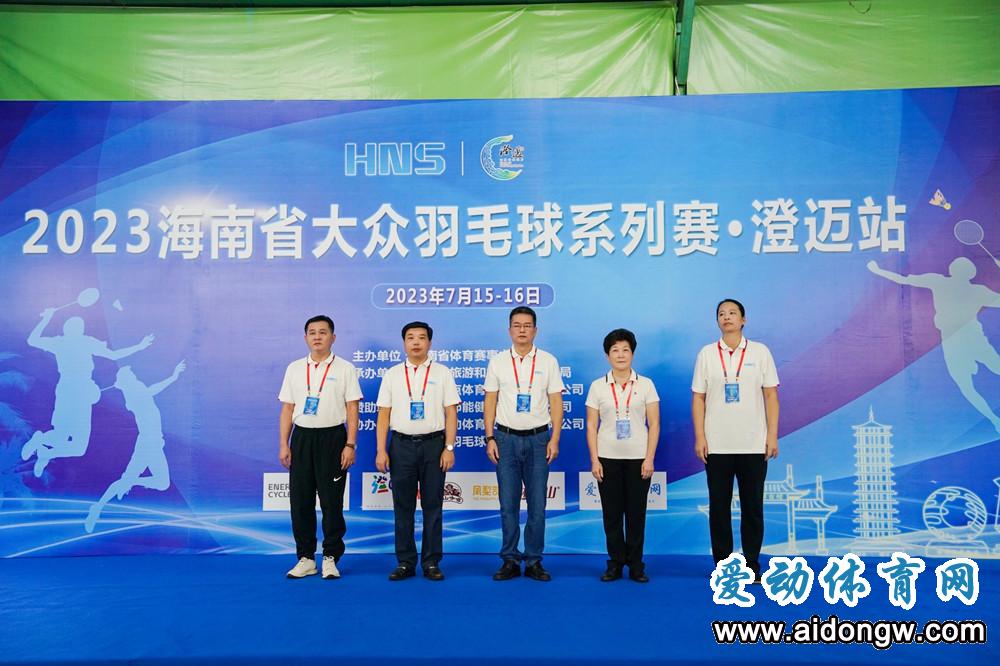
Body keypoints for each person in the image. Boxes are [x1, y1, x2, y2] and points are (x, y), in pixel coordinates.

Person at [692, 299, 779, 582]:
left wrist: (772, 435)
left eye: (732, 313)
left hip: (753, 443)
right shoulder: (707, 354)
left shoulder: (760, 352)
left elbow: (770, 395)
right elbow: (698, 398)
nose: (726, 317)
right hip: (717, 444)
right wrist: (700, 436)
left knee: (753, 507)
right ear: (717, 321)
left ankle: (752, 563)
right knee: (719, 508)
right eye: (721, 314)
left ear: (743, 320)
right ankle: (723, 565)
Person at [868, 258, 1000, 432]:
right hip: (957, 341)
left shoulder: (966, 288)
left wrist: (878, 270)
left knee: (967, 386)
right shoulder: (945, 283)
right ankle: (995, 421)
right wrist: (878, 271)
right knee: (967, 384)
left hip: (968, 339)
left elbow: (903, 279)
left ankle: (994, 420)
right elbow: (904, 280)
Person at [483, 306, 564, 581]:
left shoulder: (548, 361)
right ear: (509, 330)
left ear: (535, 330)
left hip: (539, 439)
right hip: (505, 439)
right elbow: (490, 401)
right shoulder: (498, 362)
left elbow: (556, 402)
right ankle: (509, 559)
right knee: (508, 504)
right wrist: (490, 437)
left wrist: (554, 438)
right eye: (517, 325)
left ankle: (533, 560)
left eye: (527, 325)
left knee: (537, 505)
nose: (522, 330)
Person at [278, 315, 362, 580]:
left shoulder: (345, 368)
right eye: (312, 332)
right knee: (300, 502)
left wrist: (350, 444)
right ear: (305, 338)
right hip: (302, 438)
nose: (317, 336)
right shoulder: (294, 368)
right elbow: (287, 409)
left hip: (333, 439)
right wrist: (284, 444)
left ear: (333, 337)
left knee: (331, 502)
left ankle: (330, 557)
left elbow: (352, 408)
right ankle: (305, 558)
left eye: (323, 332)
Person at [22, 309, 154, 477]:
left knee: (74, 446)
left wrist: (46, 319)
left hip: (76, 390)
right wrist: (139, 346)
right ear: (72, 330)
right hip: (73, 390)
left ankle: (44, 450)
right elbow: (114, 355)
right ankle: (41, 443)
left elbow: (32, 340)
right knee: (70, 442)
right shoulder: (79, 342)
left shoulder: (65, 342)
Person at [375, 321, 460, 581]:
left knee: (433, 505)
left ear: (429, 343)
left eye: (421, 337)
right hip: (401, 445)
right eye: (410, 337)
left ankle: (432, 562)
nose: (416, 342)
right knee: (403, 506)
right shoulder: (392, 374)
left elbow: (451, 413)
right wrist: (381, 450)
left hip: (434, 445)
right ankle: (405, 562)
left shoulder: (442, 373)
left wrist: (449, 447)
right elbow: (383, 415)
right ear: (404, 343)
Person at [585, 329, 660, 583]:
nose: (620, 355)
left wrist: (649, 458)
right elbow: (591, 426)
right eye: (615, 350)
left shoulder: (646, 384)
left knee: (637, 515)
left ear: (632, 354)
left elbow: (655, 424)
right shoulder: (598, 386)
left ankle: (636, 565)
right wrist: (595, 460)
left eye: (625, 350)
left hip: (639, 459)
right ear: (607, 356)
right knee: (612, 515)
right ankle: (615, 563)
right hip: (607, 459)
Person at [84, 361, 186, 533]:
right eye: (131, 376)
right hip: (148, 444)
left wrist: (173, 376)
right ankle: (98, 507)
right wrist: (173, 377)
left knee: (161, 483)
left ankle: (124, 486)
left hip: (154, 443)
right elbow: (153, 389)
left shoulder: (138, 392)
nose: (135, 377)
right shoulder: (135, 396)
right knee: (156, 482)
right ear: (128, 382)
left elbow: (153, 389)